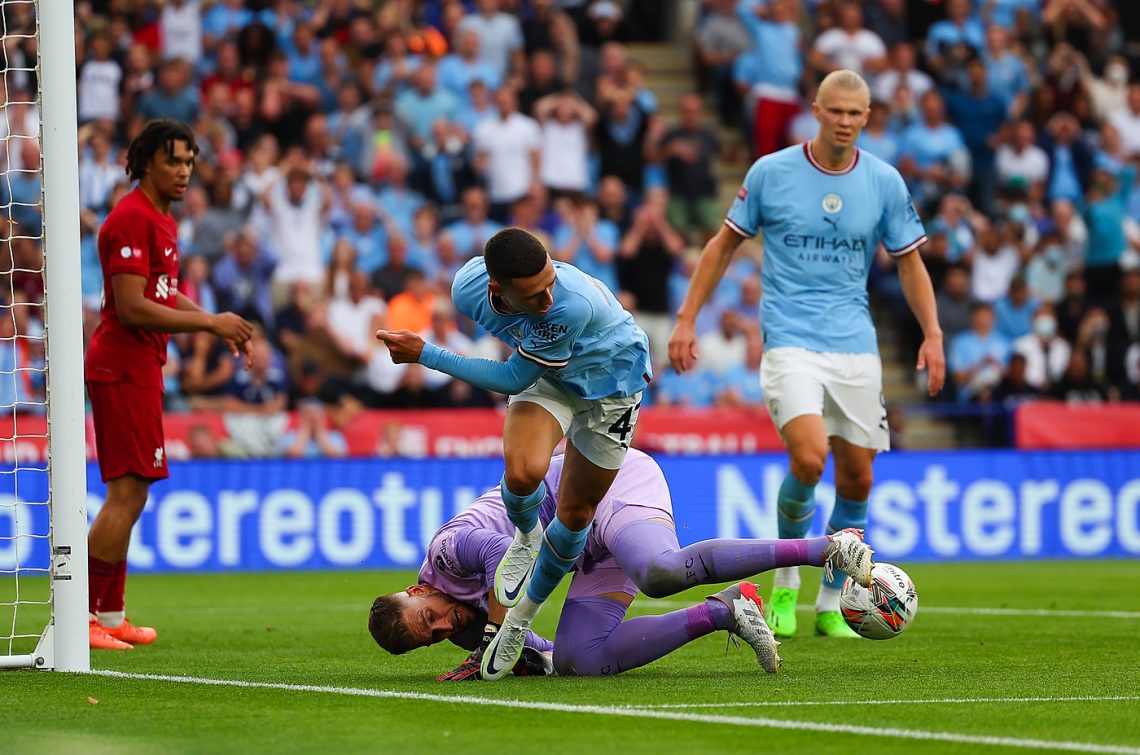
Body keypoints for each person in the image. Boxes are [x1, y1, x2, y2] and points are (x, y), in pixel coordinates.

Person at [667, 70, 945, 639]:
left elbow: (910, 262)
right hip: (789, 339)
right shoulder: (771, 173)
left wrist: (933, 332)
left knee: (858, 478)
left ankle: (833, 602)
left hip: (856, 345)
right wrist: (686, 317)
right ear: (815, 111)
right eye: (835, 111)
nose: (844, 122)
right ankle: (787, 586)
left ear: (868, 117)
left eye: (855, 114)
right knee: (810, 458)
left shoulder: (885, 182)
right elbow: (723, 246)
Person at [375, 227, 652, 680]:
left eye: (549, 282)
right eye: (534, 293)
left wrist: (425, 353)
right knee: (523, 472)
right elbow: (522, 372)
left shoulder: (568, 303)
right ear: (496, 288)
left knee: (576, 514)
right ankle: (526, 538)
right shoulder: (467, 290)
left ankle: (519, 621)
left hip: (610, 387)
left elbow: (509, 379)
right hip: (550, 378)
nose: (546, 298)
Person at [368, 450, 873, 678]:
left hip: (601, 489)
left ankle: (828, 549)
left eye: (427, 617)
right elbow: (534, 646)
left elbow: (507, 555)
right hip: (584, 546)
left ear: (415, 592)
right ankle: (726, 610)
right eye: (432, 636)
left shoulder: (446, 550)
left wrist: (492, 639)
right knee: (577, 660)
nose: (443, 625)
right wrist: (524, 658)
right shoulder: (460, 626)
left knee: (658, 573)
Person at [84, 119, 253, 650]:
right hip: (122, 365)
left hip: (143, 365)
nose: (183, 172)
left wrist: (214, 317)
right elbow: (133, 308)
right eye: (173, 161)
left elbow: (163, 293)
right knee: (125, 491)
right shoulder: (130, 218)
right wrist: (209, 323)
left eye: (189, 162)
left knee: (133, 494)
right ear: (145, 162)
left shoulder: (162, 219)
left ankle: (110, 616)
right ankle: (83, 617)